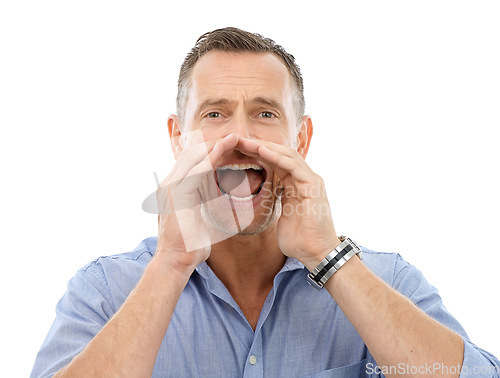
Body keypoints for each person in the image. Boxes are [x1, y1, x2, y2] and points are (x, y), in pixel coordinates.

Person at [31, 27, 499, 378]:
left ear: (302, 137)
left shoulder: (387, 281)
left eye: (265, 113)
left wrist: (327, 258)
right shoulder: (103, 292)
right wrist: (172, 263)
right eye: (215, 114)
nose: (241, 137)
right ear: (178, 138)